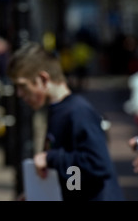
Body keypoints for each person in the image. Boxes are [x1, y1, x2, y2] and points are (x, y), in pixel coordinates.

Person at [7, 41, 124, 201]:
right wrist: (39, 194)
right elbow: (73, 177)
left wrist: (50, 158)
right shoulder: (58, 110)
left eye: (23, 86)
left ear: (43, 79)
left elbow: (98, 164)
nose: (20, 94)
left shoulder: (78, 112)